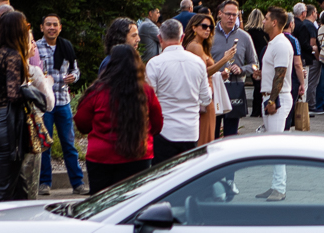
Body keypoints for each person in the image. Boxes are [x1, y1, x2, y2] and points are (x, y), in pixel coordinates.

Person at [74, 45, 162, 194]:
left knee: (101, 201)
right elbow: (157, 124)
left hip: (101, 157)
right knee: (134, 201)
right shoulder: (146, 91)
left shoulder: (97, 91)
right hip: (138, 153)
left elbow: (81, 122)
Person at [0, 10, 41, 201]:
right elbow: (13, 94)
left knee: (17, 184)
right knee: (3, 187)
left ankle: (22, 215)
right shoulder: (13, 55)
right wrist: (33, 94)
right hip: (7, 124)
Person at [144, 19, 212, 166]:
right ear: (182, 37)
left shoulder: (154, 64)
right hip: (191, 131)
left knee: (163, 175)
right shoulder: (198, 63)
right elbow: (206, 98)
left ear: (160, 38)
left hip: (164, 131)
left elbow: (149, 100)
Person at [34, 14, 86, 196]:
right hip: (44, 103)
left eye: (55, 25)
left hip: (63, 101)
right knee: (44, 145)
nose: (52, 28)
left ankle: (78, 183)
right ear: (42, 27)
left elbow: (75, 69)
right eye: (48, 24)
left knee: (69, 144)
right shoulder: (35, 47)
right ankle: (44, 183)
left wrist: (74, 77)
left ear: (60, 27)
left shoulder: (66, 46)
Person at [257, 7, 294, 201]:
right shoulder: (274, 43)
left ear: (274, 22)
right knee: (273, 143)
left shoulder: (280, 44)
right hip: (272, 96)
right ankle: (275, 186)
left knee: (276, 144)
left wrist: (272, 100)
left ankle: (279, 187)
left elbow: (281, 74)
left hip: (278, 98)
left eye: (265, 18)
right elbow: (275, 73)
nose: (263, 21)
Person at [184, 13, 235, 145]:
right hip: (204, 98)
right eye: (204, 26)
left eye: (210, 27)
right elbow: (203, 73)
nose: (208, 29)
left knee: (207, 137)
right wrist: (224, 59)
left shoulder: (200, 46)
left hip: (206, 95)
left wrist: (219, 74)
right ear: (194, 27)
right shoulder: (195, 46)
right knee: (205, 140)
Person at [212, 0, 257, 137]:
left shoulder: (244, 37)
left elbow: (255, 64)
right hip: (214, 88)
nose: (231, 18)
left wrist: (242, 69)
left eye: (234, 15)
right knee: (212, 133)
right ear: (220, 14)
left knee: (231, 135)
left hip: (234, 89)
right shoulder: (210, 35)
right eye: (228, 14)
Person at [290, 3, 320, 114]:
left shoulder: (292, 23)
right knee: (304, 84)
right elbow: (303, 44)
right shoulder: (302, 26)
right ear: (303, 13)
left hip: (291, 57)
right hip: (302, 58)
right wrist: (312, 48)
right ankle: (302, 110)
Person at [243, 8, 270, 117]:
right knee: (262, 86)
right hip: (263, 59)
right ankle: (261, 109)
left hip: (252, 61)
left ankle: (255, 110)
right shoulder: (264, 33)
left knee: (256, 86)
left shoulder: (247, 33)